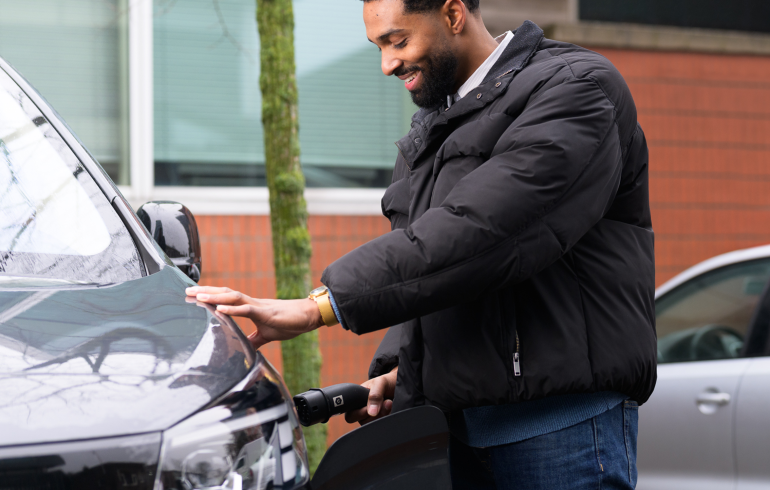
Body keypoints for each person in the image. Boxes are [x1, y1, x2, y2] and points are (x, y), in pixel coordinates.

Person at [187, 0, 657, 488]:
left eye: (398, 40)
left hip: (561, 434)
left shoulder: (577, 88)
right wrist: (400, 368)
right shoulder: (436, 124)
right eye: (378, 47)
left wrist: (319, 308)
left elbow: (481, 232)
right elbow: (428, 267)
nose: (387, 64)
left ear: (453, 14)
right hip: (457, 435)